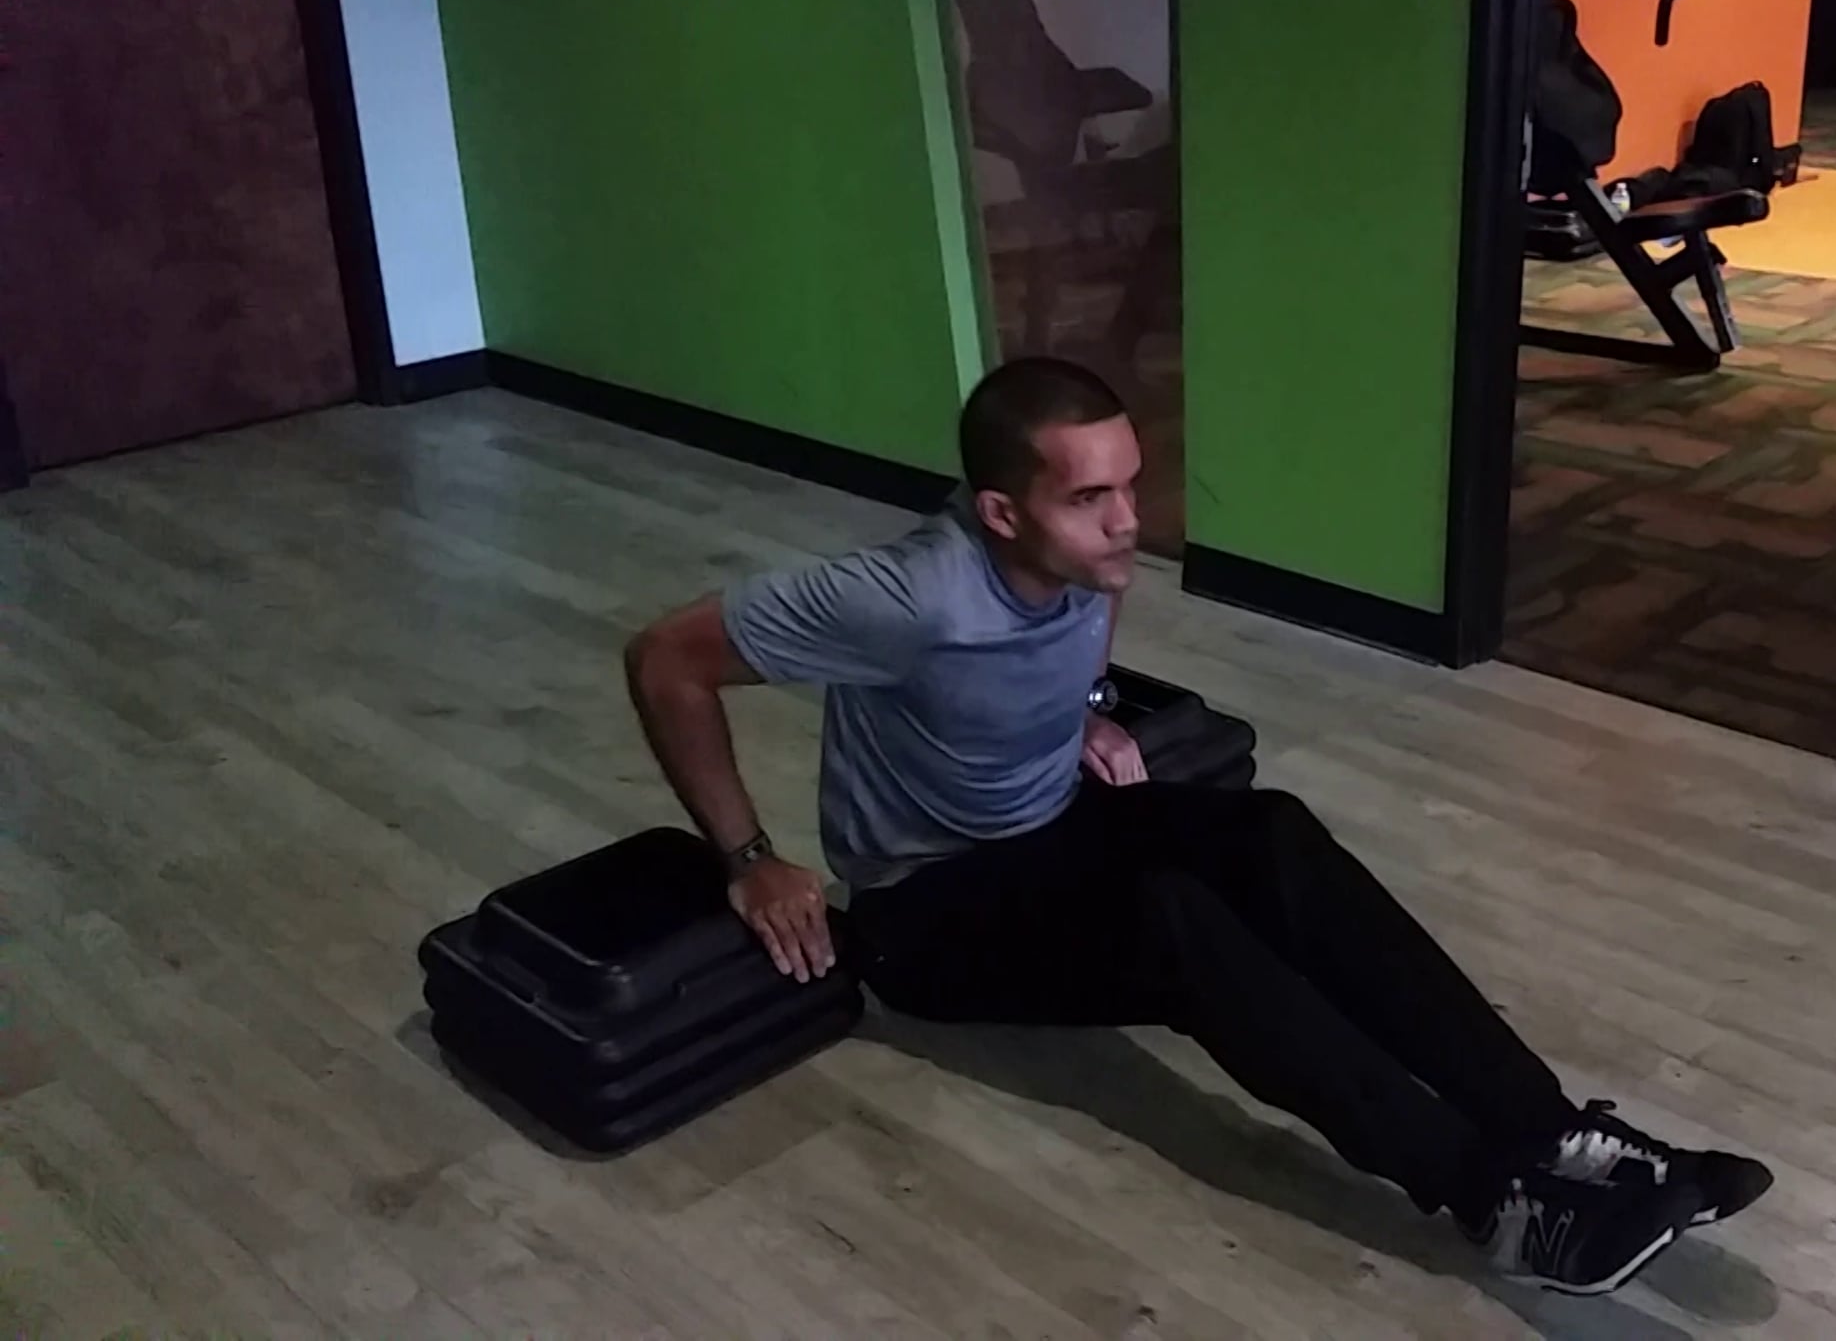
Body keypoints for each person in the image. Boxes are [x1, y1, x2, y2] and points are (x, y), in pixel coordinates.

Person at [623, 358, 1771, 1295]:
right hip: (924, 911)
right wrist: (751, 858)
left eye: (1132, 484)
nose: (1129, 522)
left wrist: (1080, 710)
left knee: (1271, 833)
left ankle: (1552, 1133)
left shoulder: (1095, 555)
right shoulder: (905, 595)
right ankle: (1496, 1203)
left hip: (1050, 826)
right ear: (1001, 512)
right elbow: (665, 658)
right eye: (1090, 500)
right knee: (1173, 923)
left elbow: (1085, 617)